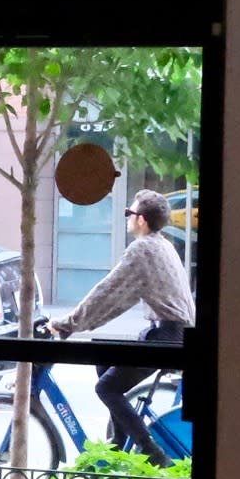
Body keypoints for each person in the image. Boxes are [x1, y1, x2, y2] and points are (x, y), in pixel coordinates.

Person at [43, 190, 193, 458]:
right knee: (103, 358)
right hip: (172, 334)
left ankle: (152, 452)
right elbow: (118, 298)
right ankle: (118, 439)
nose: (126, 217)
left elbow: (108, 293)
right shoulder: (163, 244)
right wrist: (79, 323)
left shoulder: (143, 249)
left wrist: (67, 324)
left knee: (106, 388)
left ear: (141, 220)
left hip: (167, 336)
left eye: (128, 213)